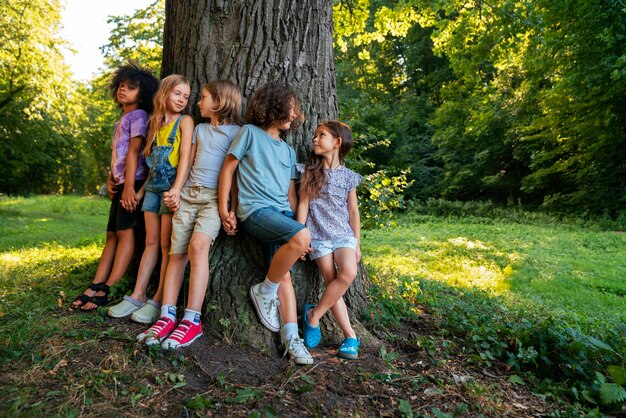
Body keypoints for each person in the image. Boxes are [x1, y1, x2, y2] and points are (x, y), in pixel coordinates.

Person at [136, 80, 243, 349]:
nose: (197, 102)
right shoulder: (199, 129)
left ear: (219, 101)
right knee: (176, 252)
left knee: (198, 247)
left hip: (213, 199)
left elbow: (237, 174)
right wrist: (176, 191)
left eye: (203, 97)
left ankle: (192, 319)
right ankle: (166, 315)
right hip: (188, 196)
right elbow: (188, 162)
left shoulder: (239, 133)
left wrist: (231, 209)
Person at [218, 82, 314, 365]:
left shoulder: (288, 151)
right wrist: (226, 209)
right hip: (256, 212)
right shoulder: (249, 133)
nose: (294, 115)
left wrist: (300, 233)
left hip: (282, 216)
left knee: (285, 275)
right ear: (275, 106)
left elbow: (291, 196)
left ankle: (291, 339)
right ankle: (263, 291)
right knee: (289, 257)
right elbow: (229, 171)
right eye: (291, 108)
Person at [71, 63, 158, 312]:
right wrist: (112, 178)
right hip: (122, 182)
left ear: (141, 94)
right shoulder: (124, 118)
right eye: (121, 86)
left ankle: (111, 285)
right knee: (112, 234)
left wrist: (130, 187)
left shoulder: (139, 116)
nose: (123, 91)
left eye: (131, 88)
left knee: (125, 234)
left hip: (135, 181)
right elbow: (117, 155)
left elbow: (134, 152)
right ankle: (96, 282)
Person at [107, 74, 194, 324]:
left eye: (186, 97)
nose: (182, 100)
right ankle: (138, 294)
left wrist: (176, 189)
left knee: (168, 246)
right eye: (177, 93)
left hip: (170, 190)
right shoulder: (154, 123)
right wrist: (141, 191)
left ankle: (158, 299)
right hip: (153, 188)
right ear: (164, 92)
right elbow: (151, 165)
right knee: (151, 242)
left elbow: (185, 159)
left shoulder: (184, 122)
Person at [296, 121, 363, 359]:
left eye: (321, 135)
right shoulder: (309, 172)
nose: (315, 139)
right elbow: (303, 204)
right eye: (315, 135)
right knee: (331, 282)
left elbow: (353, 212)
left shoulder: (349, 177)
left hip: (343, 235)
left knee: (347, 274)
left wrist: (357, 242)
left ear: (337, 142)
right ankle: (350, 336)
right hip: (318, 236)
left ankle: (313, 315)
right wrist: (301, 236)